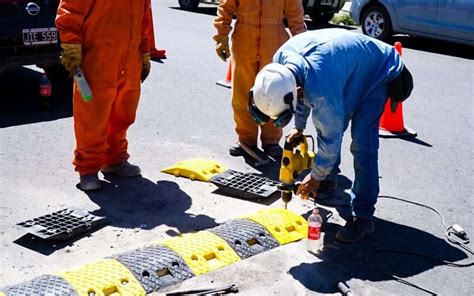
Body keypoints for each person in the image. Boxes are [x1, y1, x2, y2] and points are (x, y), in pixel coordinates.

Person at [249, 28, 413, 242]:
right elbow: (299, 88)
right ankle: (328, 177)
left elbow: (330, 139)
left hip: (378, 71)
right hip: (347, 68)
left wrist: (314, 177)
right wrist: (298, 126)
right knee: (331, 121)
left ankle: (363, 217)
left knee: (362, 145)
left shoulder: (321, 88)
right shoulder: (279, 64)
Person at [56, 0, 152, 191]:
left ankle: (114, 159)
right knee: (92, 117)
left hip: (129, 57)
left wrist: (144, 52)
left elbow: (144, 20)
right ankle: (88, 169)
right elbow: (70, 10)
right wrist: (71, 44)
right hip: (98, 56)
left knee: (123, 114)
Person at [213, 0, 306, 158]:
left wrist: (302, 45)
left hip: (274, 44)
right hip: (244, 41)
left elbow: (295, 14)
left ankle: (271, 141)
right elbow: (226, 5)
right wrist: (221, 35)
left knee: (275, 95)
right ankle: (246, 139)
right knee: (242, 96)